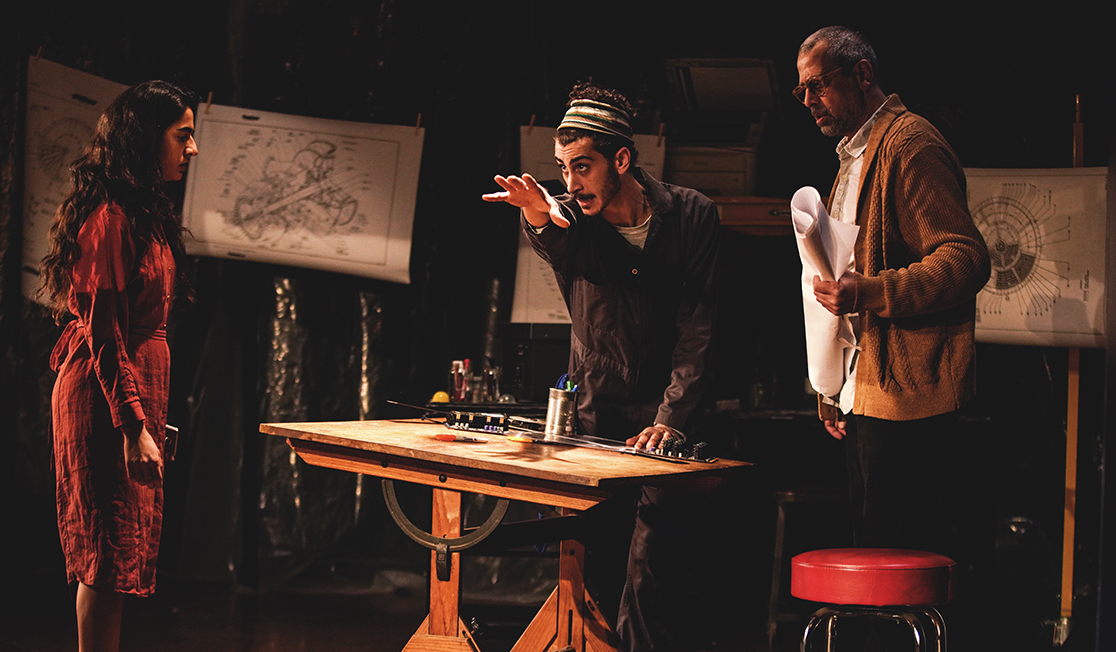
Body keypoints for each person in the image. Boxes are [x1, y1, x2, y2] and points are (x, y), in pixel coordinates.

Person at [483, 82, 720, 652]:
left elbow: (699, 326)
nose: (571, 182)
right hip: (596, 418)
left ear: (621, 159)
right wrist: (538, 216)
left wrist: (672, 418)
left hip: (665, 419)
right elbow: (552, 234)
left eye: (582, 167)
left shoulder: (690, 215)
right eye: (563, 168)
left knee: (651, 569)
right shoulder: (571, 224)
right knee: (592, 564)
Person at [794, 27, 990, 554]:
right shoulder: (851, 158)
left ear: (862, 74)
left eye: (819, 85)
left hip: (911, 402)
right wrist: (832, 384)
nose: (810, 101)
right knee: (872, 561)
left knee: (897, 564)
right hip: (866, 392)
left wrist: (874, 293)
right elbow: (839, 274)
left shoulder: (910, 144)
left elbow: (966, 258)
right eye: (802, 91)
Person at [41, 80, 198, 652]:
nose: (192, 148)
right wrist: (133, 425)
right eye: (182, 136)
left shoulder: (144, 215)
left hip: (129, 396)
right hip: (101, 398)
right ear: (145, 138)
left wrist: (150, 418)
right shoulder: (109, 218)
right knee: (104, 558)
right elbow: (106, 337)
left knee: (118, 556)